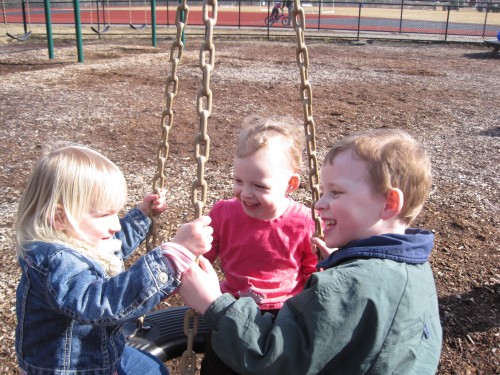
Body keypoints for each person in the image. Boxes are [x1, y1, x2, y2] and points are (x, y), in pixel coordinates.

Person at [180, 128, 443, 374]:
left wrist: (212, 304)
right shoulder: (414, 271)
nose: (319, 203)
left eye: (336, 193)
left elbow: (275, 356)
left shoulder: (349, 286)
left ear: (389, 203)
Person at [15, 142, 213, 375]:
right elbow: (101, 302)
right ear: (60, 217)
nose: (115, 224)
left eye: (116, 212)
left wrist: (142, 216)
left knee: (153, 369)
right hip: (72, 368)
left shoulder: (78, 236)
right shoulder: (55, 262)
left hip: (105, 352)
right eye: (105, 214)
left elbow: (114, 247)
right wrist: (172, 257)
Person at [200, 117, 318, 374]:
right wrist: (192, 255)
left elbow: (312, 270)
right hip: (229, 305)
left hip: (284, 312)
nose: (245, 193)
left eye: (259, 186)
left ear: (290, 184)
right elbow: (204, 254)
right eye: (238, 181)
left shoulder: (303, 222)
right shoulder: (224, 213)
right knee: (219, 364)